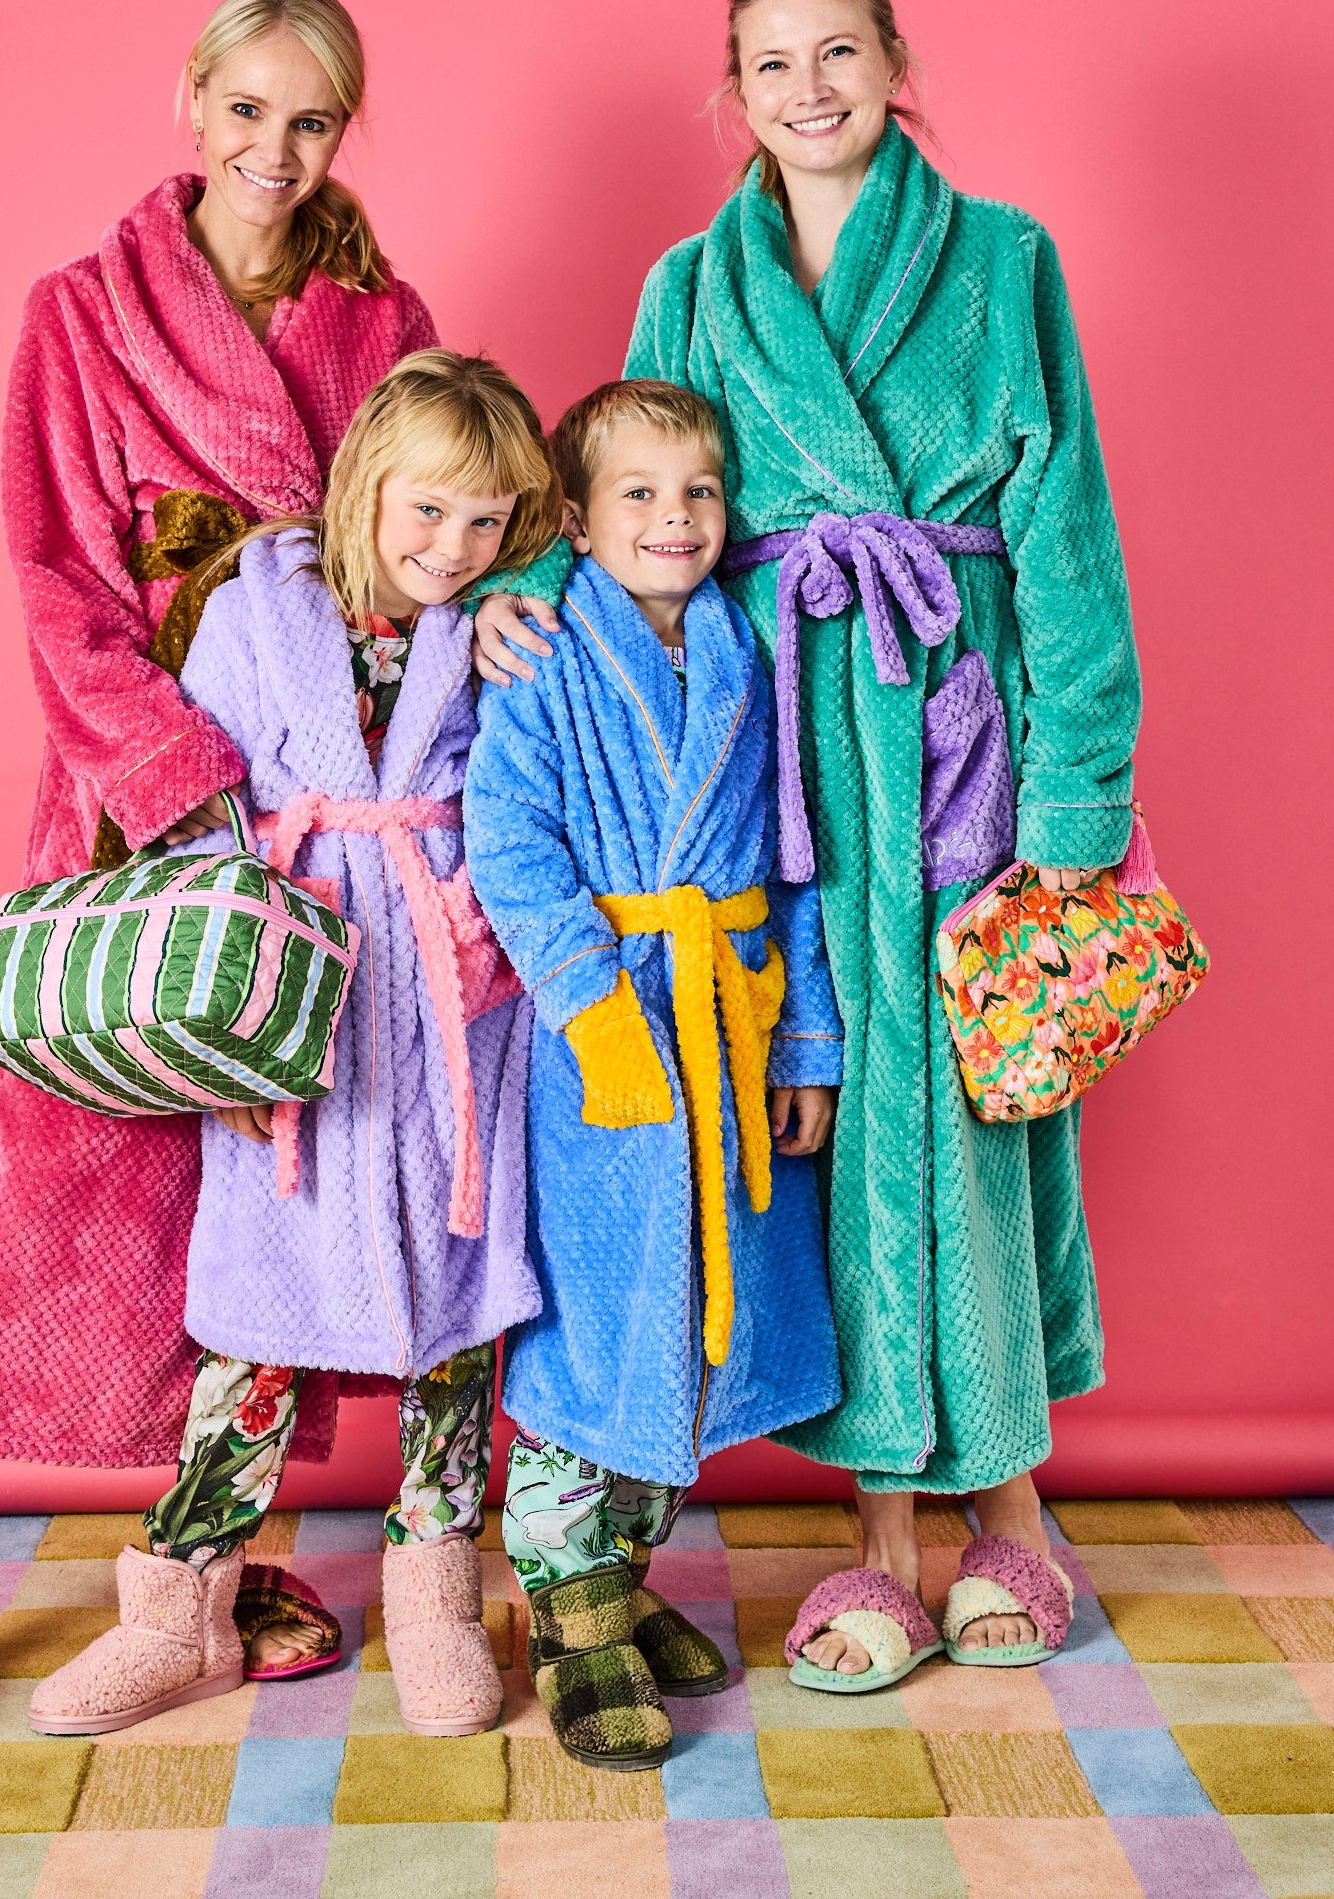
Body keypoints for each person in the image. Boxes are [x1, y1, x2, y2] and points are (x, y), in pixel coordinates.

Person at [474, 0, 1141, 1686]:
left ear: (897, 58)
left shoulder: (1004, 261)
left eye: (838, 51)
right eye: (772, 65)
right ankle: (878, 1544)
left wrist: (1079, 795)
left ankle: (1011, 1517)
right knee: (828, 1134)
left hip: (952, 732)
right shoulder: (692, 280)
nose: (810, 88)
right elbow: (618, 485)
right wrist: (514, 597)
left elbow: (1065, 532)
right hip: (775, 750)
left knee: (980, 1118)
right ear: (735, 97)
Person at [0, 0, 442, 1760]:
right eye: (245, 109)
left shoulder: (382, 318)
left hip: (325, 802)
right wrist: (177, 782)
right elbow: (54, 582)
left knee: (262, 1194)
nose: (274, 149)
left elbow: (421, 531)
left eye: (310, 120)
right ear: (190, 104)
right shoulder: (82, 315)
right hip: (133, 796)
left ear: (342, 132)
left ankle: (216, 1559)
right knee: (50, 1180)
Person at [25, 351, 556, 1741]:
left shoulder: (506, 621)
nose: (454, 547)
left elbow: (525, 789)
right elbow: (202, 785)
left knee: (458, 1309)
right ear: (371, 476)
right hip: (298, 1005)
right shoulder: (254, 610)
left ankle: (438, 1595)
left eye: (489, 523)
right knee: (254, 1325)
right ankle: (178, 1610)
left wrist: (483, 924)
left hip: (453, 1004)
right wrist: (249, 932)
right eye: (431, 512)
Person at [463, 379, 843, 1769]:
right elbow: (507, 836)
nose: (674, 519)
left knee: (688, 1326)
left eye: (698, 493)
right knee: (598, 1317)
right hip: (608, 1039)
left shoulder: (747, 648)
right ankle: (565, 1615)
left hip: (727, 1022)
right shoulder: (547, 647)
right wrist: (591, 1004)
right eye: (638, 492)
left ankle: (614, 1579)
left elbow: (795, 857)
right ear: (576, 517)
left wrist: (807, 1039)